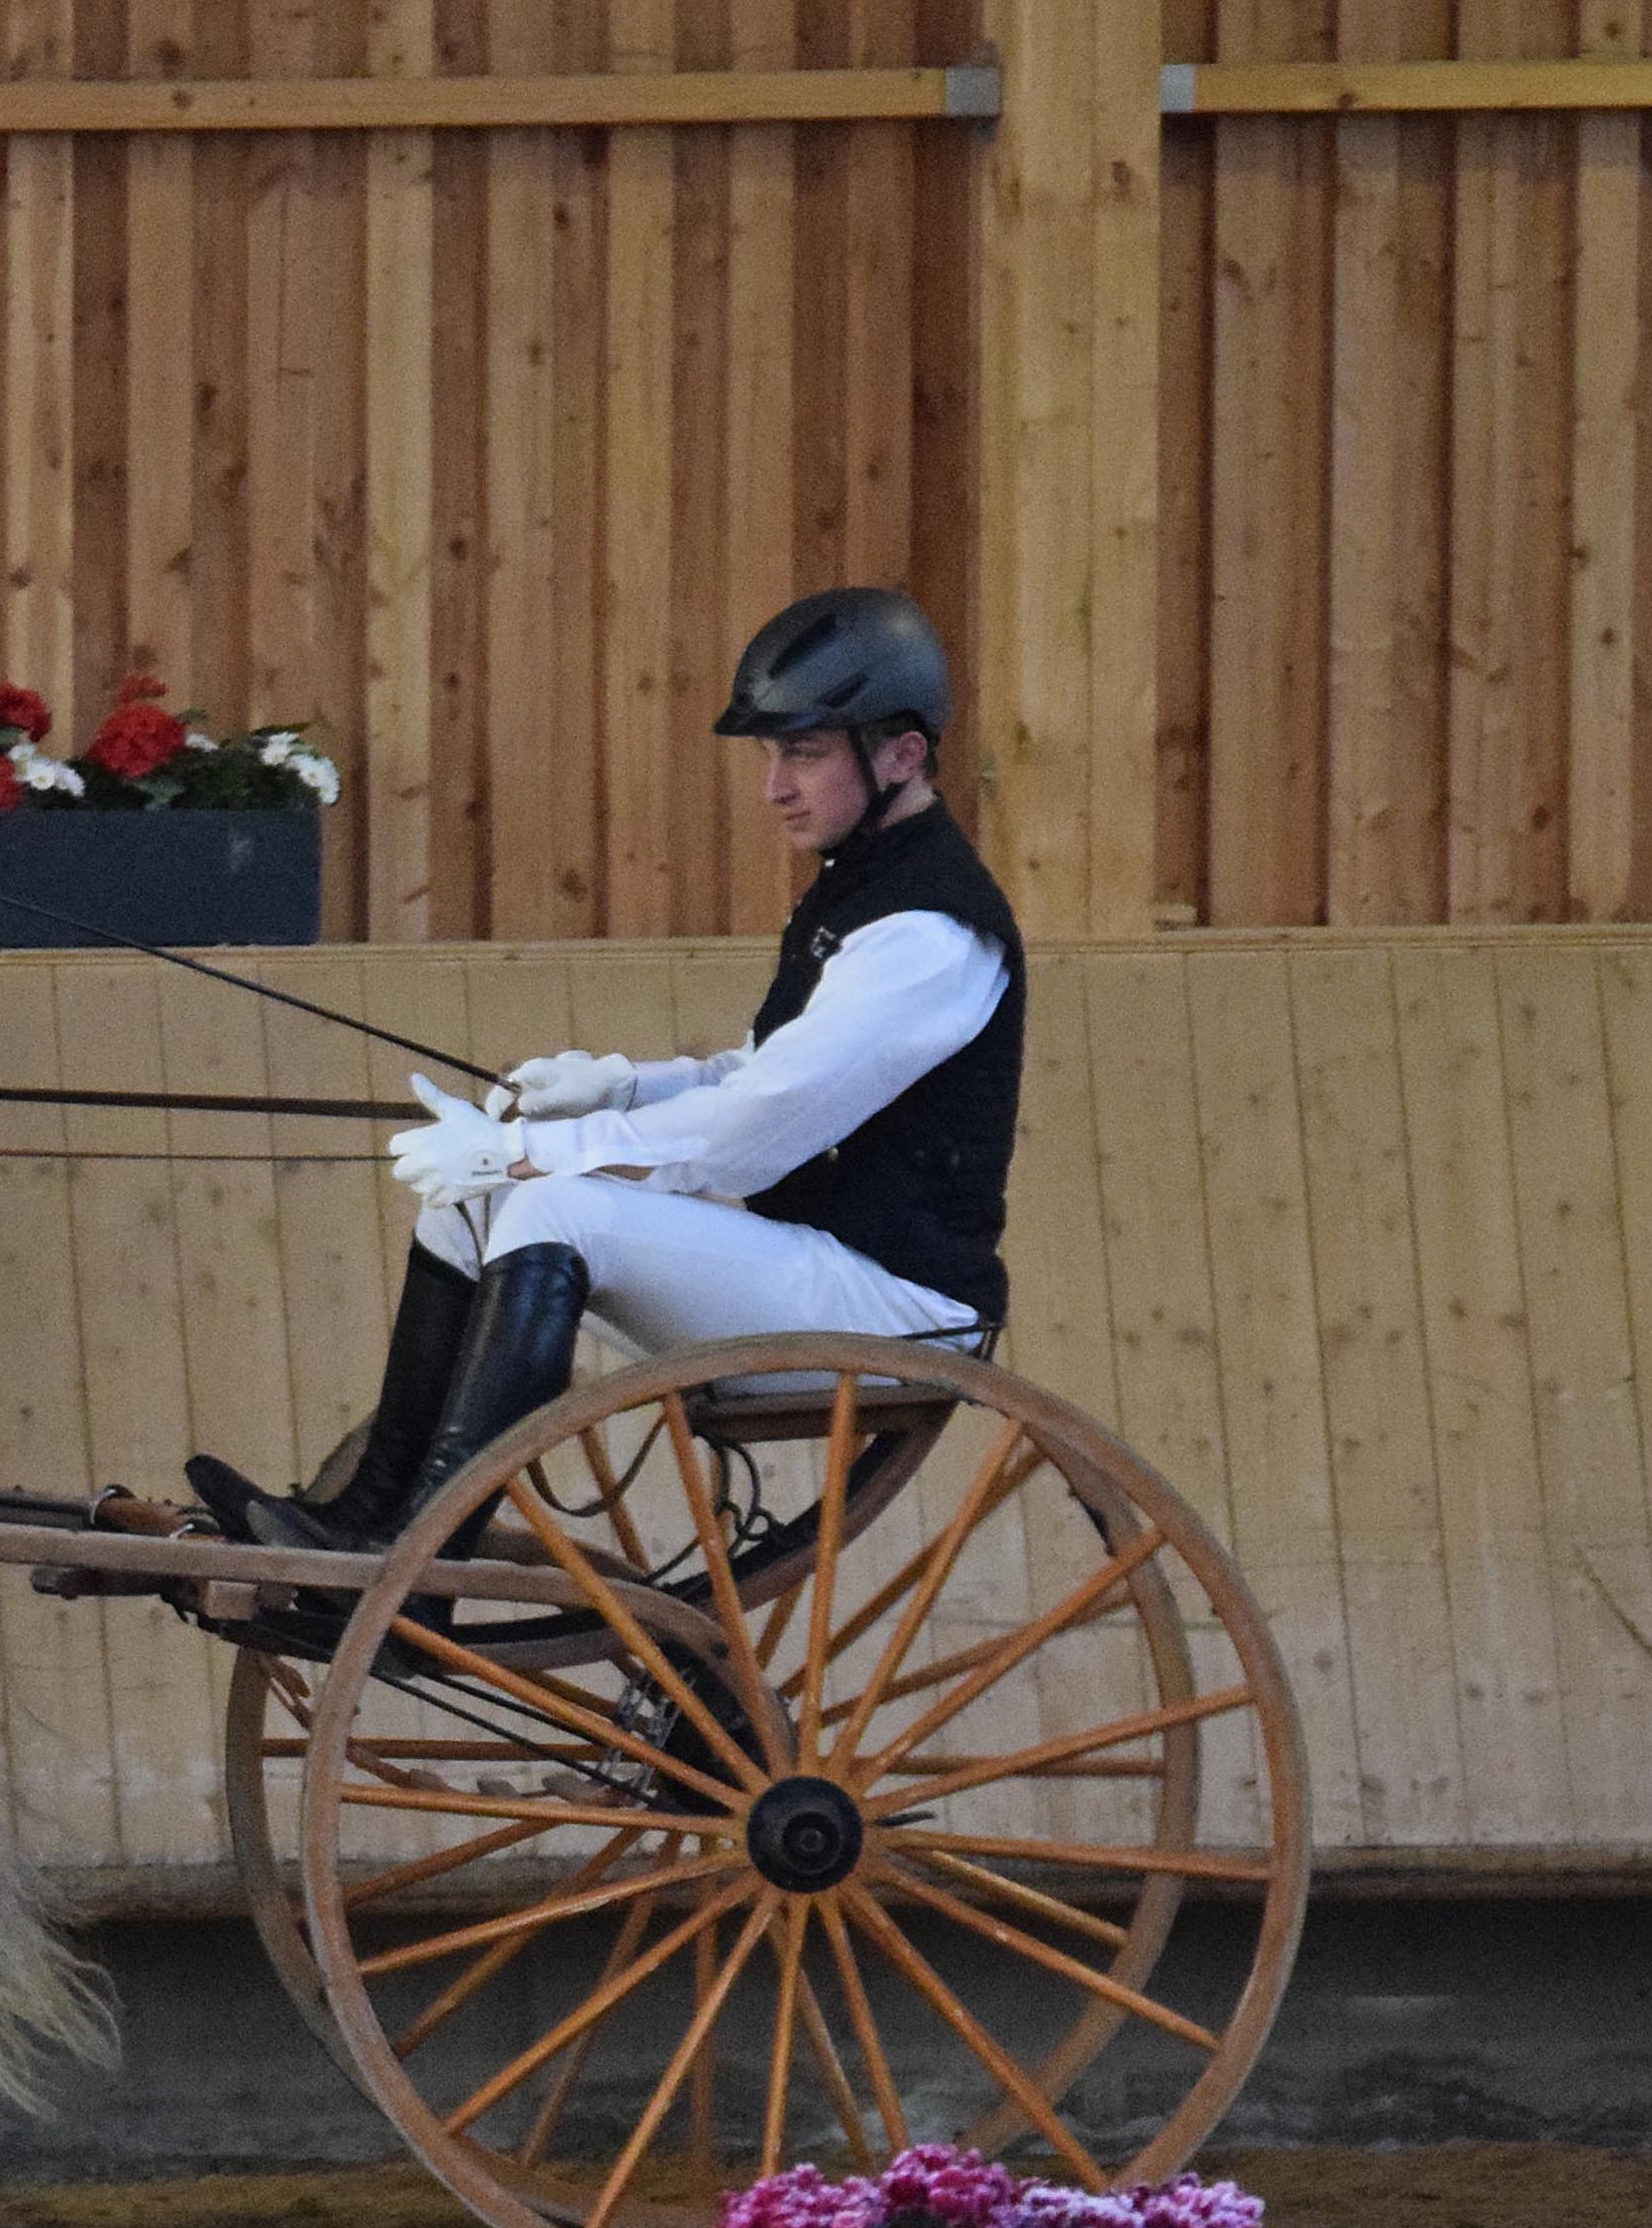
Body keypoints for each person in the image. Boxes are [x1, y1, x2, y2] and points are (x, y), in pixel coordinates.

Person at [188, 584, 1024, 1563]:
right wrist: (621, 1087)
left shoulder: (926, 932)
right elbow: (763, 1071)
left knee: (545, 1203)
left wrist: (532, 1152)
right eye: (768, 755)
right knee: (466, 1205)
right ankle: (367, 1517)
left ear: (901, 754)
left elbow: (756, 1131)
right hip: (815, 1262)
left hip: (895, 1309)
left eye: (800, 752)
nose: (773, 788)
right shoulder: (864, 888)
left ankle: (426, 1549)